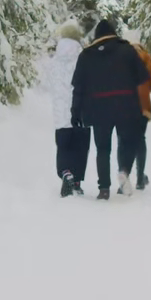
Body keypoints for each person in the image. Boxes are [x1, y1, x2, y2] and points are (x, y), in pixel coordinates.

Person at [70, 19, 151, 199]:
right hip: (126, 106)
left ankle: (103, 189)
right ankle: (124, 170)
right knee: (126, 142)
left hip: (98, 108)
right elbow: (142, 78)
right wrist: (143, 106)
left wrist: (75, 112)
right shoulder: (128, 51)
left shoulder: (86, 55)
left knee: (103, 149)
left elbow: (78, 87)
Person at [46, 21, 88, 196]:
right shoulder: (83, 58)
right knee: (81, 147)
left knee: (63, 146)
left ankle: (66, 173)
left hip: (61, 112)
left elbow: (50, 82)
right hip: (81, 111)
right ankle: (76, 181)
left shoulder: (55, 61)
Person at [127, 32, 151, 193]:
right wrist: (145, 88)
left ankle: (125, 174)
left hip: (124, 105)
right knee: (140, 139)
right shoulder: (147, 58)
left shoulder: (121, 58)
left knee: (124, 140)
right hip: (143, 106)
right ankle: (140, 177)